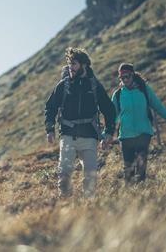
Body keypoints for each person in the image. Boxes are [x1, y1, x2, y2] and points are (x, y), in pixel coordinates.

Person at [45, 47, 116, 198]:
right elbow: (50, 106)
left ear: (84, 65)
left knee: (91, 177)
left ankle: (88, 208)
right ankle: (65, 204)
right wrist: (50, 129)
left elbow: (109, 109)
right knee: (64, 174)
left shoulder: (94, 85)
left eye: (74, 63)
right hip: (68, 136)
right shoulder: (63, 85)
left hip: (89, 136)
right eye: (69, 63)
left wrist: (109, 132)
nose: (71, 67)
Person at [112, 63, 166, 184]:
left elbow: (158, 107)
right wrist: (106, 134)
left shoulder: (144, 90)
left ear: (133, 75)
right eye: (122, 78)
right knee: (128, 171)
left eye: (127, 76)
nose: (125, 80)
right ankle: (130, 198)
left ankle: (141, 194)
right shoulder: (118, 95)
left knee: (140, 169)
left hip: (143, 134)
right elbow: (112, 117)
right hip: (126, 137)